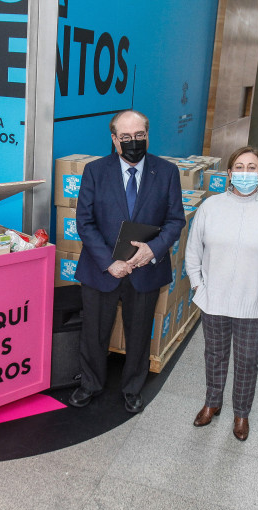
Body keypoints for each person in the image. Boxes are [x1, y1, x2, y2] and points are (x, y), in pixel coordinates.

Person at [70, 109, 185, 413]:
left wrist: (154, 250)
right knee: (94, 332)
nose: (133, 142)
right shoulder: (95, 171)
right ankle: (90, 384)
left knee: (139, 333)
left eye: (139, 135)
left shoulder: (167, 172)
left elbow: (176, 220)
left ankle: (133, 387)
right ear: (114, 139)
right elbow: (85, 222)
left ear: (147, 135)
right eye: (126, 137)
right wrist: (109, 262)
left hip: (146, 269)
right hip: (101, 269)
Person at [185, 147, 258, 440]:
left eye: (252, 168)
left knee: (247, 359)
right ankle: (212, 402)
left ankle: (241, 413)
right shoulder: (211, 207)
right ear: (230, 173)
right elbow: (193, 249)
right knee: (214, 354)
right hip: (214, 298)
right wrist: (198, 285)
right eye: (239, 167)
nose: (245, 173)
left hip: (253, 302)